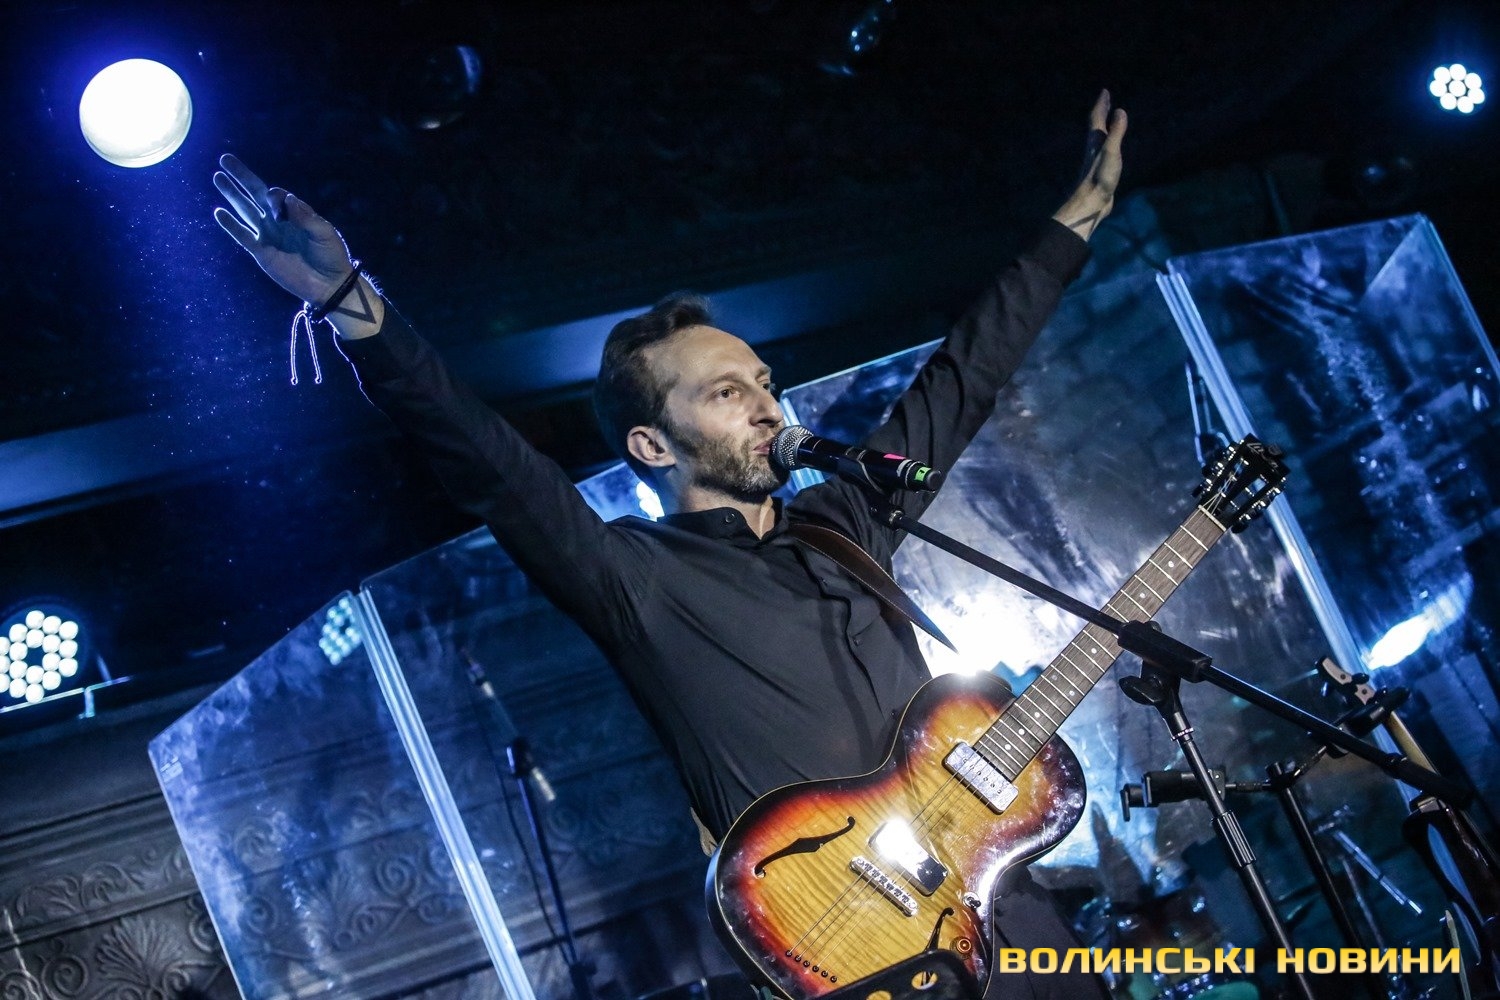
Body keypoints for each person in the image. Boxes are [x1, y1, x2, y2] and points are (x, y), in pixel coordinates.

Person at [214, 90, 1126, 1000]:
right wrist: (351, 302)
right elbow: (490, 463)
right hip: (861, 955)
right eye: (727, 393)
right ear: (652, 446)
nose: (766, 405)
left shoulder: (842, 524)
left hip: (1014, 922)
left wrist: (1072, 227)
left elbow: (960, 380)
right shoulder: (634, 576)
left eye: (764, 381)